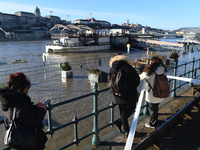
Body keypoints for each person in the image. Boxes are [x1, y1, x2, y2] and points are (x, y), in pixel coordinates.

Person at [0, 72, 48, 150]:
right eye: (26, 89)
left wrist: (35, 107)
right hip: (28, 143)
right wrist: (41, 109)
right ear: (20, 88)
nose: (27, 92)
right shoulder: (20, 103)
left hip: (18, 141)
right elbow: (33, 123)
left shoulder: (8, 101)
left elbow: (22, 117)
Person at [109, 54, 140, 137]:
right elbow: (137, 81)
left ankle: (126, 129)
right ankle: (123, 126)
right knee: (132, 108)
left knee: (122, 112)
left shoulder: (112, 69)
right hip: (130, 94)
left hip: (118, 95)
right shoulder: (128, 68)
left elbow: (110, 81)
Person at [139, 56, 167, 129]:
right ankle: (155, 120)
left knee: (152, 109)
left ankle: (153, 123)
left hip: (152, 94)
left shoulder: (149, 71)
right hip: (161, 92)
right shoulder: (163, 69)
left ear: (151, 62)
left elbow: (139, 78)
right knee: (155, 107)